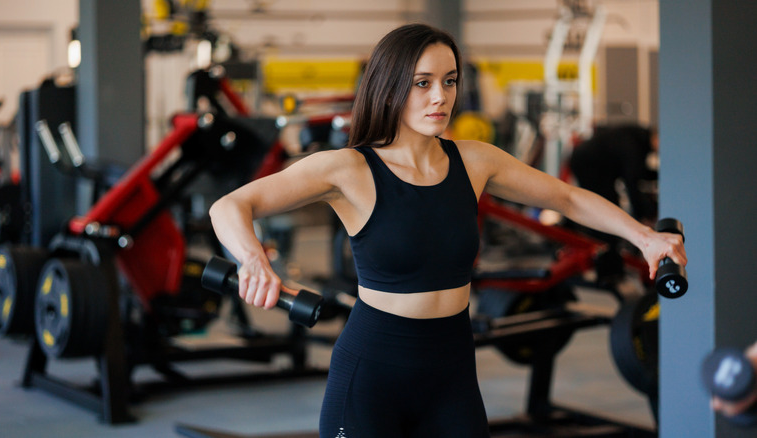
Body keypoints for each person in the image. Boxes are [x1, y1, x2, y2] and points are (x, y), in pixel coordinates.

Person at [209, 23, 687, 438]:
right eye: (422, 83)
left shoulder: (474, 161)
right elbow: (232, 205)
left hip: (452, 370)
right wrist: (253, 259)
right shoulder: (349, 169)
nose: (440, 96)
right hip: (373, 370)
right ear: (391, 85)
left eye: (449, 81)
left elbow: (566, 198)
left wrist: (643, 236)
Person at [568, 123, 660, 284]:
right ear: (657, 137)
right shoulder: (635, 144)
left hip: (590, 163)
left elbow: (638, 173)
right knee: (607, 214)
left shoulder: (638, 139)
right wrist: (643, 216)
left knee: (609, 210)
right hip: (588, 164)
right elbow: (632, 181)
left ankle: (609, 266)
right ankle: (608, 271)